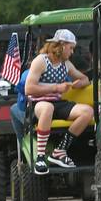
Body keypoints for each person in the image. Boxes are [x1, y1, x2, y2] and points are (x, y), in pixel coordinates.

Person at [24, 29, 92, 174]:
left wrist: (75, 85)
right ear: (61, 46)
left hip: (58, 104)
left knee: (87, 111)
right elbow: (29, 88)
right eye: (71, 48)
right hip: (39, 105)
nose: (72, 52)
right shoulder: (41, 61)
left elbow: (84, 79)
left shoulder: (66, 64)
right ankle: (40, 157)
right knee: (48, 107)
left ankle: (60, 151)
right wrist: (56, 87)